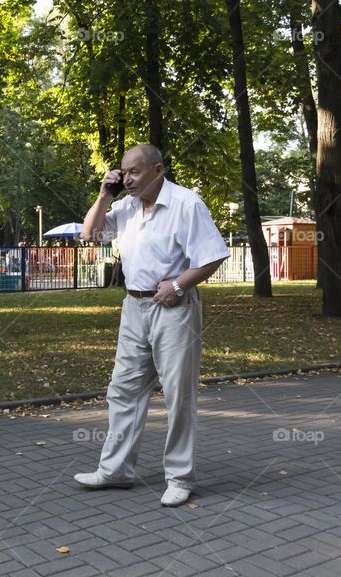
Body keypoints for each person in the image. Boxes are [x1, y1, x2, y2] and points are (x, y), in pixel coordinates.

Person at [75, 144, 229, 507]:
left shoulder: (186, 203)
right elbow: (90, 236)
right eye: (124, 172)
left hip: (173, 308)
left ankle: (179, 477)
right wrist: (102, 194)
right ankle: (116, 471)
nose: (127, 179)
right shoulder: (126, 207)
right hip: (133, 306)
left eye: (135, 172)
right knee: (123, 389)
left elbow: (213, 255)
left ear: (158, 170)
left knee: (178, 394)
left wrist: (178, 286)